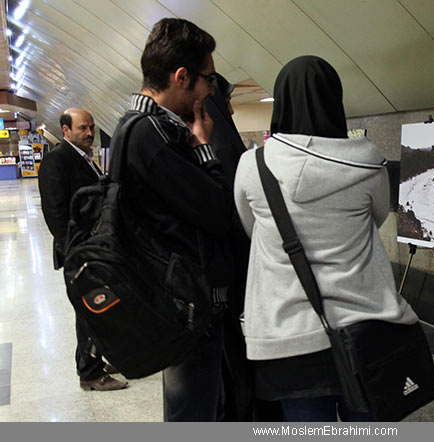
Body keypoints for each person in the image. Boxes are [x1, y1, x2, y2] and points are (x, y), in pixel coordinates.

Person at [233, 56, 419, 422]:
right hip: (365, 326)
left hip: (286, 335)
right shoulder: (368, 162)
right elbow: (377, 217)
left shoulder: (253, 165)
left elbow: (250, 227)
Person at [112, 18, 234, 422]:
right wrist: (204, 148)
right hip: (188, 305)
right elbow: (218, 212)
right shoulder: (155, 136)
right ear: (181, 77)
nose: (212, 90)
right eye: (207, 79)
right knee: (192, 412)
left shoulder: (130, 128)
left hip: (171, 297)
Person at [205, 74, 283, 422]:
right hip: (238, 277)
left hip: (221, 280)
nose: (232, 110)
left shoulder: (209, 144)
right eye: (225, 102)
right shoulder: (224, 149)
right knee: (241, 364)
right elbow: (245, 219)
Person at [38, 108, 128, 392]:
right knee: (89, 308)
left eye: (91, 127)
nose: (89, 133)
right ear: (66, 131)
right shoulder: (57, 161)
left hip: (95, 247)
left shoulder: (85, 158)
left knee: (104, 306)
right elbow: (54, 213)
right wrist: (75, 252)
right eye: (82, 129)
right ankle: (89, 372)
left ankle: (102, 358)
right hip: (81, 252)